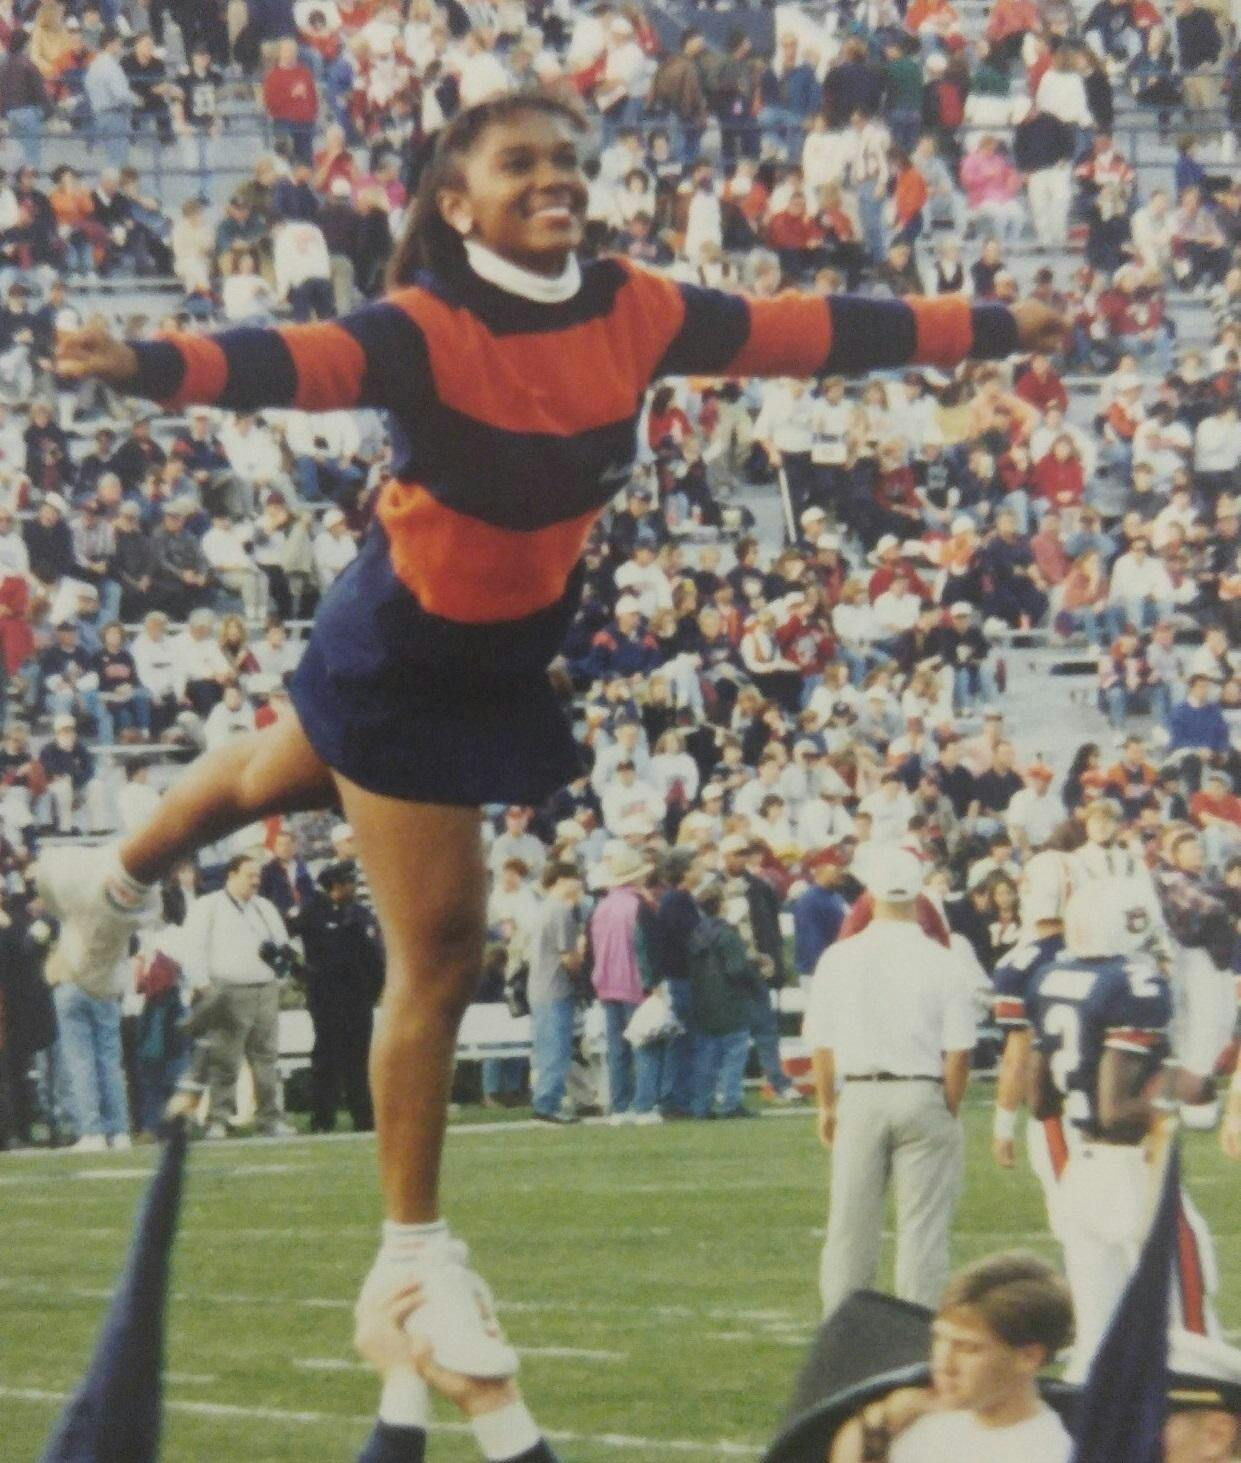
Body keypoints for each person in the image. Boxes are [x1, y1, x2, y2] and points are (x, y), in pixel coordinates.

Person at [40, 93, 1061, 1375]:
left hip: (497, 649)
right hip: (408, 646)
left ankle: (111, 872)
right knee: (446, 947)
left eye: (567, 161)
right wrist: (149, 365)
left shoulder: (636, 306)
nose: (554, 179)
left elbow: (818, 334)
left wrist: (991, 325)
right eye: (518, 162)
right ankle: (410, 1253)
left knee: (268, 772)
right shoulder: (425, 326)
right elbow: (295, 361)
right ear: (455, 201)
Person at [1026, 884, 1219, 1381]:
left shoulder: (1051, 975)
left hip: (1084, 1170)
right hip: (1135, 1172)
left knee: (1095, 1342)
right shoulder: (1133, 982)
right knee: (1191, 1333)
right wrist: (1185, 1086)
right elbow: (1119, 1109)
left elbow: (1041, 1100)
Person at [805, 844, 977, 1321]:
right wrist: (948, 1104)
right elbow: (959, 1049)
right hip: (922, 1089)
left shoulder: (840, 957)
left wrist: (826, 1105)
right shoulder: (944, 959)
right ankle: (917, 1342)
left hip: (860, 1092)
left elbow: (821, 1043)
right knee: (923, 1231)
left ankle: (842, 1333)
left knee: (850, 1226)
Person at [828, 1252, 1074, 1463]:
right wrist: (886, 1417)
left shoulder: (1046, 1451)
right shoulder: (925, 1419)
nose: (944, 1364)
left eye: (968, 1348)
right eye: (940, 1339)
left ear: (1028, 1357)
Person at [179, 853, 297, 1141]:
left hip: (264, 989)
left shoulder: (264, 907)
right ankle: (218, 1118)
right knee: (224, 1058)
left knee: (266, 1058)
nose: (256, 881)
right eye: (249, 875)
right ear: (231, 875)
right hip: (227, 989)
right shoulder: (209, 906)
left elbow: (282, 944)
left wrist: (281, 977)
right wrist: (203, 984)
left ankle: (270, 1117)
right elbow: (193, 945)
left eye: (258, 876)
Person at [300, 860, 384, 1133]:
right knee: (326, 1058)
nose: (353, 887)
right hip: (326, 997)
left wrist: (373, 990)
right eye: (348, 882)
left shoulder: (360, 914)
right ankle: (322, 1118)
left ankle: (364, 1117)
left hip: (358, 997)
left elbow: (375, 957)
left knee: (359, 1060)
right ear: (334, 886)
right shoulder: (313, 913)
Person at [686, 879, 765, 1120]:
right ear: (721, 905)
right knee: (733, 1055)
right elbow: (736, 970)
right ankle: (731, 1102)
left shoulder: (694, 935)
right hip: (730, 1001)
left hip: (702, 1000)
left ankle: (701, 1104)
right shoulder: (728, 935)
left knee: (706, 1058)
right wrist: (755, 979)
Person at [526, 862, 585, 1126]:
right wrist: (581, 959)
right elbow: (567, 957)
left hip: (538, 986)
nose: (579, 884)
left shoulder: (541, 908)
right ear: (562, 880)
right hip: (555, 987)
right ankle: (547, 1103)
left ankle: (546, 1100)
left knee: (546, 1047)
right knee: (556, 1050)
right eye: (575, 878)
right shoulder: (560, 910)